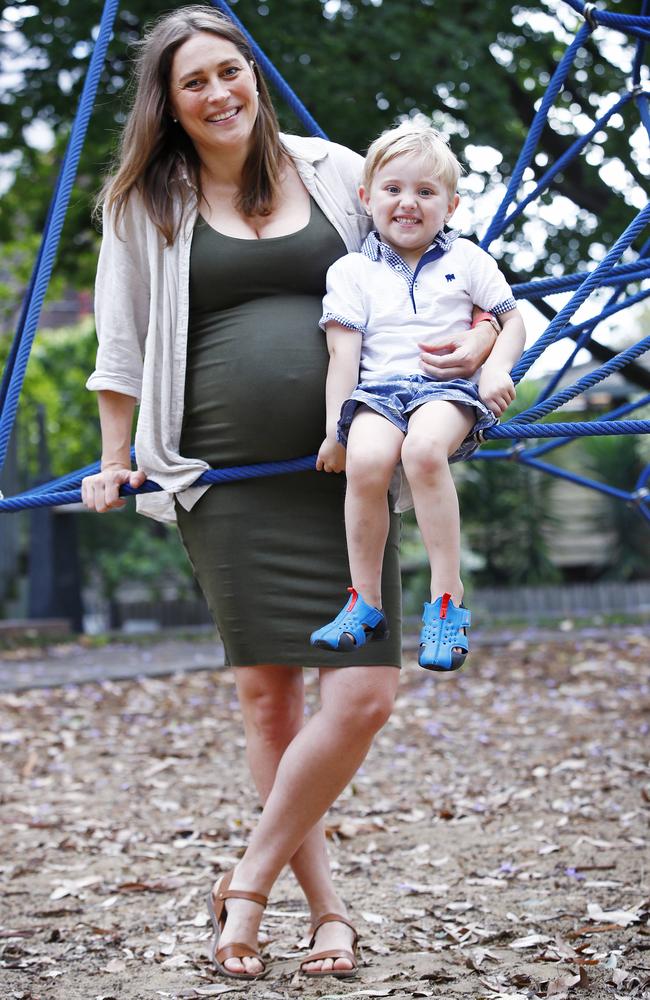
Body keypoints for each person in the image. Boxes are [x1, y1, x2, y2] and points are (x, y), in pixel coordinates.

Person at [80, 6, 499, 981]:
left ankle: (247, 879)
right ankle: (326, 916)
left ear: (251, 74)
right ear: (170, 105)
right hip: (220, 477)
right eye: (195, 83)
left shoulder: (335, 171)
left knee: (361, 695)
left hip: (346, 465)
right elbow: (122, 345)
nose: (220, 93)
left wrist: (478, 347)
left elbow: (438, 266)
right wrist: (112, 454)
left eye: (230, 71)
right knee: (268, 705)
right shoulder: (147, 201)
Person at [311, 123, 526, 671]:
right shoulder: (352, 271)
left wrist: (498, 368)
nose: (408, 203)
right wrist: (336, 430)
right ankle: (365, 603)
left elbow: (511, 319)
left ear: (450, 205)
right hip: (378, 391)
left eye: (426, 192)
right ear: (367, 197)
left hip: (445, 388)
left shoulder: (470, 260)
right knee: (365, 461)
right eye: (393, 189)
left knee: (424, 452)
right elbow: (344, 356)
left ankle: (446, 601)